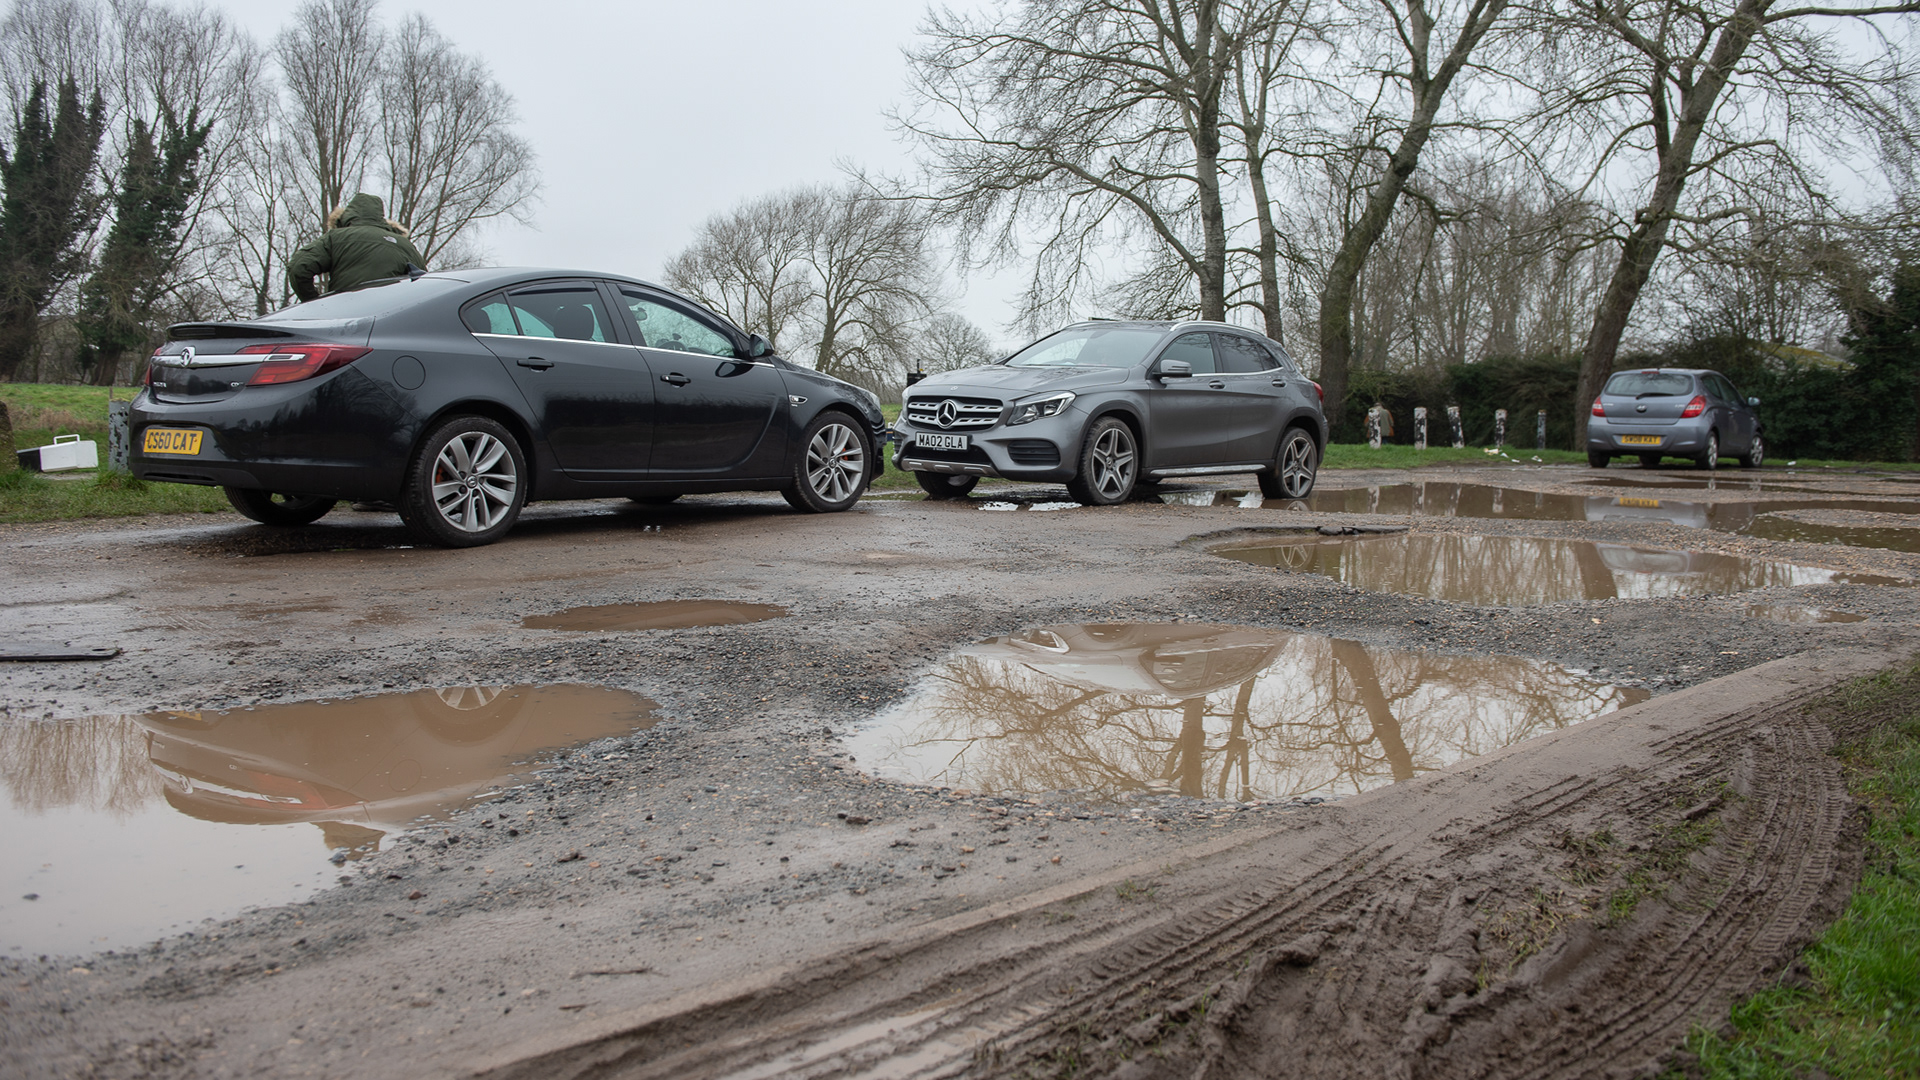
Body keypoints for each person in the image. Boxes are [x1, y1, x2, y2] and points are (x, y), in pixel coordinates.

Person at [286, 193, 427, 302]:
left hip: (345, 320)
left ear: (345, 218)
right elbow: (427, 287)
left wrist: (315, 303)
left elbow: (298, 268)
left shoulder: (335, 238)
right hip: (388, 325)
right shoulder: (405, 245)